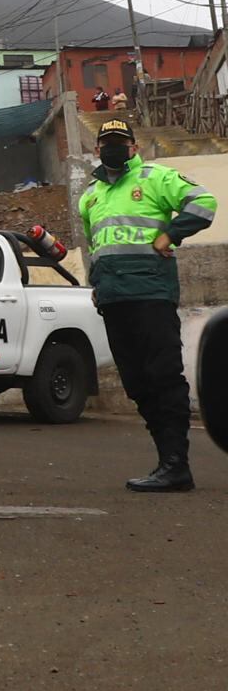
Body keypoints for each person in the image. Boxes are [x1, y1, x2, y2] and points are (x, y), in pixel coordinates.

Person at [79, 118, 217, 491]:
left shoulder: (156, 178)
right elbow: (96, 248)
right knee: (137, 384)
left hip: (151, 294)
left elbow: (205, 202)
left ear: (133, 147)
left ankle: (177, 465)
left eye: (120, 141)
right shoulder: (89, 196)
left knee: (163, 377)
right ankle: (165, 463)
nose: (113, 147)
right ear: (97, 149)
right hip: (114, 299)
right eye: (106, 141)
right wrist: (97, 283)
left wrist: (171, 233)